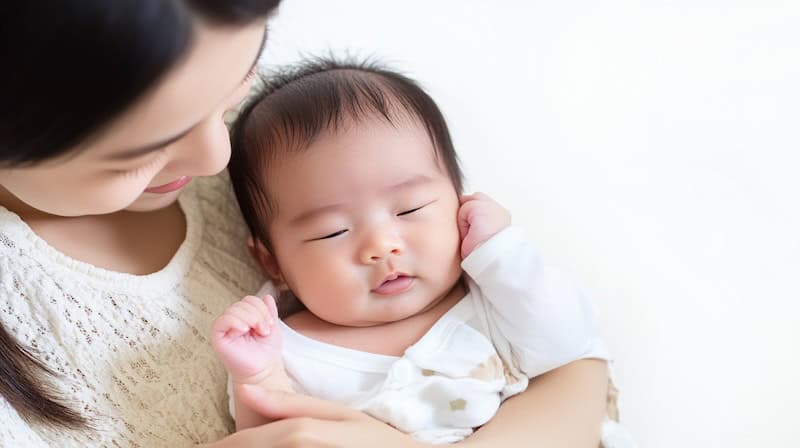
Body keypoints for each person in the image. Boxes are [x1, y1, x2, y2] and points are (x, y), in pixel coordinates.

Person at [0, 2, 610, 447]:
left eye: (232, 96)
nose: (218, 157)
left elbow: (579, 368)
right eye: (141, 151)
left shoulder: (296, 139)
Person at [213, 57, 630, 446]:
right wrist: (259, 375)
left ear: (457, 202)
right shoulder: (289, 348)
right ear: (273, 262)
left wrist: (501, 252)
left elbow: (570, 341)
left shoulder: (493, 294)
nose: (382, 246)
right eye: (333, 231)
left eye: (410, 209)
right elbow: (276, 439)